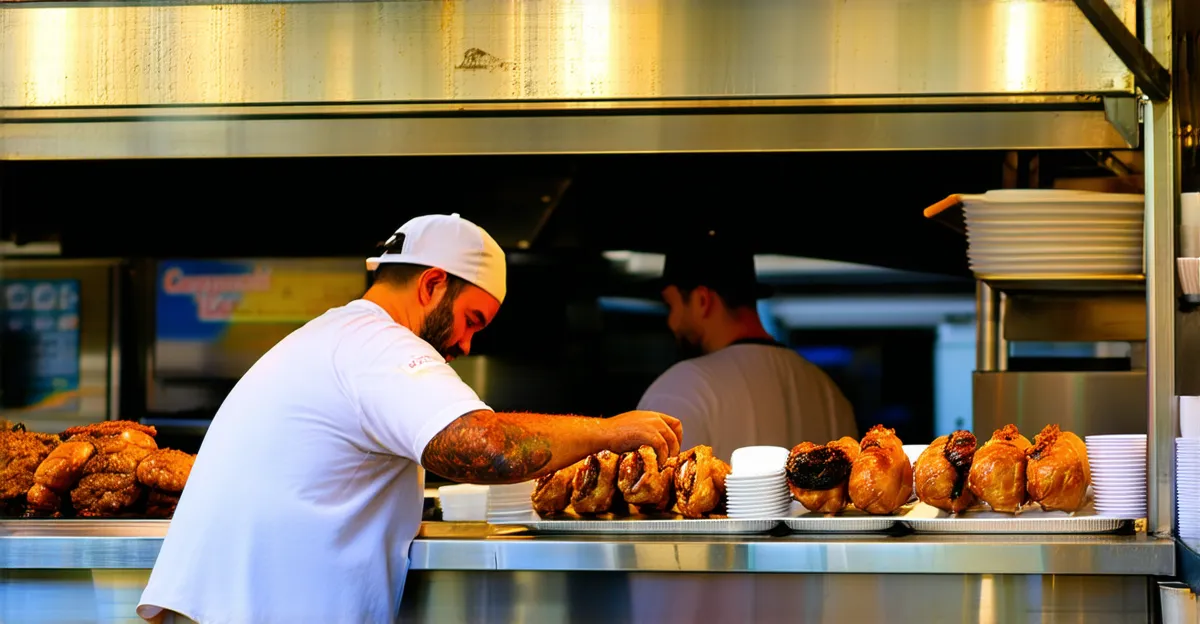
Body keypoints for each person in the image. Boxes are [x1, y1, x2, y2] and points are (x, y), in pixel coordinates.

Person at [137, 213, 682, 624]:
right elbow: (487, 450)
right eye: (472, 320)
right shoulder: (378, 346)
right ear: (431, 285)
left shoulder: (332, 336)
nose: (467, 343)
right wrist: (610, 429)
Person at [636, 230, 856, 462]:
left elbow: (647, 490)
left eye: (672, 306)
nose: (671, 322)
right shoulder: (828, 392)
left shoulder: (680, 387)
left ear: (702, 301)